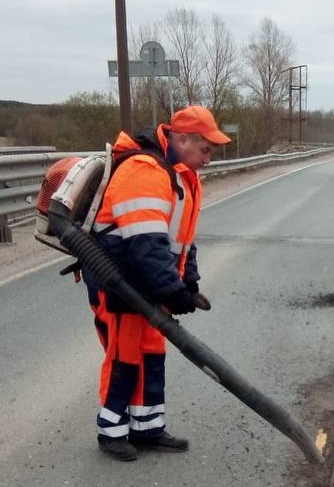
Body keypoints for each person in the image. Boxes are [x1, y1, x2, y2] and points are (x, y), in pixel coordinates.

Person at [84, 105, 231, 461]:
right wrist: (170, 290)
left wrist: (189, 283)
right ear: (182, 139)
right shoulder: (144, 171)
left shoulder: (181, 175)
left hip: (144, 285)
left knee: (151, 354)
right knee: (124, 357)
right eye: (205, 150)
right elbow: (145, 244)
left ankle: (147, 428)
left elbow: (181, 239)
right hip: (119, 283)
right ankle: (112, 431)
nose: (208, 159)